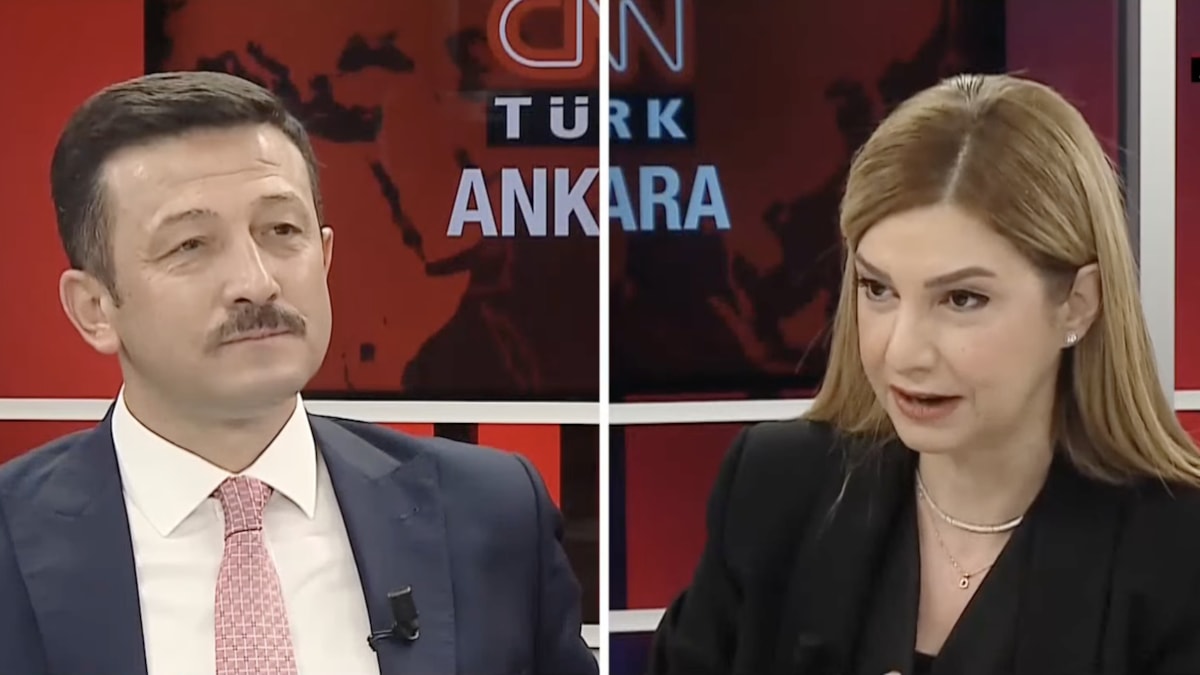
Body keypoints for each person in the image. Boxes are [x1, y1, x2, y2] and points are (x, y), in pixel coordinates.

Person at [0, 71, 597, 675]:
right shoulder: (11, 543)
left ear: (326, 256)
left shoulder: (492, 515)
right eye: (190, 245)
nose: (257, 282)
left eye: (282, 231)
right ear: (95, 309)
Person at [645, 73, 1200, 675]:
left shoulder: (1179, 554)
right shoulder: (775, 489)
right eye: (877, 289)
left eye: (962, 299)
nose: (903, 351)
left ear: (1077, 304)